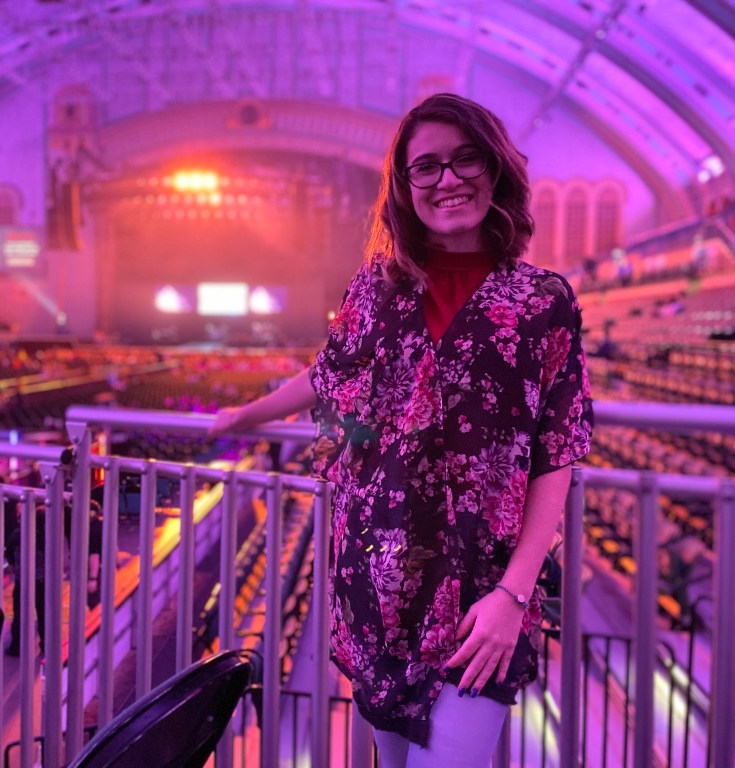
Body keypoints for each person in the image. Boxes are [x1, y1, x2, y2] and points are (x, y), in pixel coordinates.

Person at [209, 93, 593, 767]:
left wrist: (514, 593)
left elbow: (555, 453)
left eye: (466, 159)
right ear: (405, 186)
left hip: (483, 589)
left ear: (496, 168)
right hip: (376, 581)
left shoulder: (543, 300)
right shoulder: (376, 289)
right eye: (426, 167)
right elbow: (326, 373)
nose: (448, 179)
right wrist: (245, 415)